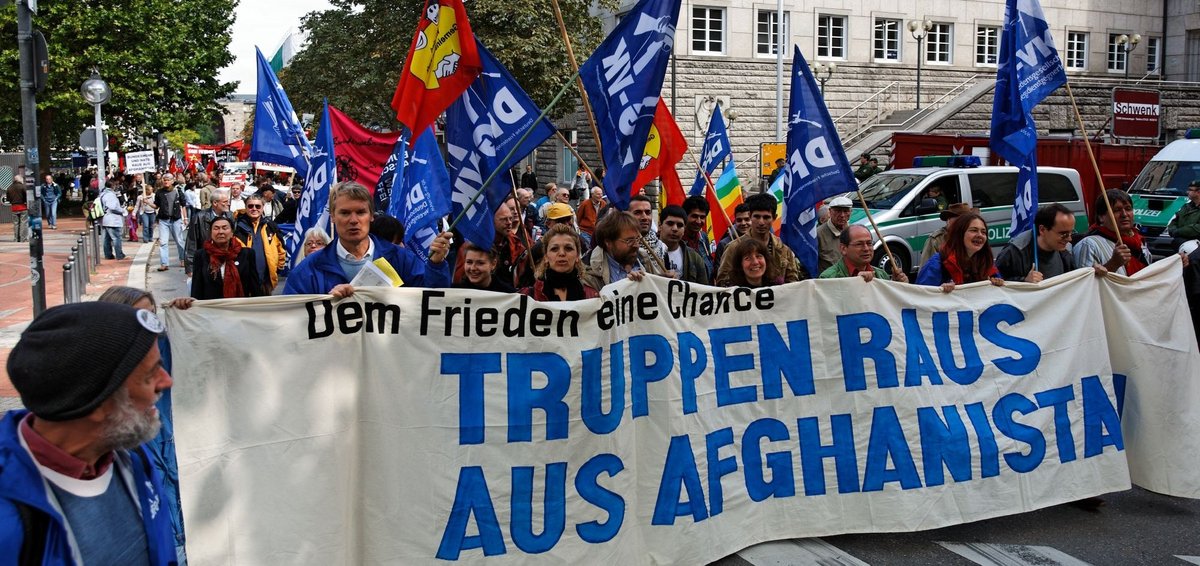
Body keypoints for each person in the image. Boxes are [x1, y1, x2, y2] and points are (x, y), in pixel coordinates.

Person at [1, 302, 177, 564]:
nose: (166, 381)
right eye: (151, 375)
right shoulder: (10, 523)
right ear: (97, 403)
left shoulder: (133, 458)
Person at [97, 286, 187, 562]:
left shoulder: (163, 349)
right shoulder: (97, 379)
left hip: (180, 487)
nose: (149, 324)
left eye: (152, 315)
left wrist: (190, 319)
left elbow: (209, 347)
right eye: (140, 317)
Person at [284, 181, 452, 297]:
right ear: (332, 217)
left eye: (360, 212)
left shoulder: (400, 259)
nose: (353, 220)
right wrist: (327, 305)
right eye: (345, 213)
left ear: (371, 216)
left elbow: (435, 302)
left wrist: (436, 265)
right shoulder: (308, 270)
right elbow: (291, 319)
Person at [715, 193, 806, 284]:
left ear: (774, 217)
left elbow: (793, 284)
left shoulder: (783, 250)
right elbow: (723, 282)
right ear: (750, 216)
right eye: (757, 217)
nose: (761, 222)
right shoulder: (734, 248)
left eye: (766, 217)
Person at [916, 212, 1005, 292]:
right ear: (960, 234)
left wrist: (998, 283)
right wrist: (939, 291)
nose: (980, 235)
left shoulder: (987, 263)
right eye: (974, 230)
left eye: (983, 232)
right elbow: (921, 295)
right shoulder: (938, 262)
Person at [1074, 189, 1150, 276]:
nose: (1124, 214)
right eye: (1116, 210)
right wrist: (1113, 264)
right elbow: (1084, 284)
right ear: (1101, 217)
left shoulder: (1139, 241)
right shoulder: (1089, 245)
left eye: (1128, 209)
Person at [995, 203, 1078, 282]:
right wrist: (1024, 280)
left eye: (1071, 233)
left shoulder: (1066, 250)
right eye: (1064, 234)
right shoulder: (1015, 251)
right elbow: (995, 282)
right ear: (1042, 230)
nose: (1069, 239)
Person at [188, 216, 266, 299]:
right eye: (216, 228)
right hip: (212, 308)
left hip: (239, 307)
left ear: (232, 232)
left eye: (225, 228)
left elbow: (254, 287)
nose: (220, 232)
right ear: (211, 233)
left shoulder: (247, 254)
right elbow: (197, 288)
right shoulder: (201, 255)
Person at [521, 224, 600, 301]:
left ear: (577, 256)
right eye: (554, 249)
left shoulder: (593, 297)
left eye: (568, 248)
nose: (562, 253)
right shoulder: (528, 298)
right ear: (545, 257)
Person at [819, 225, 909, 282]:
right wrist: (855, 282)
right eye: (859, 244)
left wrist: (897, 286)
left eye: (869, 243)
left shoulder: (881, 275)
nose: (866, 249)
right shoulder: (828, 278)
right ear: (843, 249)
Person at [235, 195, 288, 292]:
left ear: (263, 208)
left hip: (265, 281)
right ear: (245, 207)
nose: (254, 209)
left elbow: (281, 249)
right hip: (242, 282)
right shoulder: (236, 226)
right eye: (250, 206)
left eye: (257, 206)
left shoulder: (271, 226)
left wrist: (277, 269)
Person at [583, 211, 647, 289]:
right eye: (629, 241)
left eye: (637, 239)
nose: (636, 245)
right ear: (608, 242)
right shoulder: (589, 273)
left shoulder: (645, 260)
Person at [184, 189, 232, 276]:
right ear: (215, 203)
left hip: (226, 260)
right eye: (224, 202)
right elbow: (191, 242)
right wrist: (190, 268)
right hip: (207, 261)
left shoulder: (230, 216)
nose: (228, 204)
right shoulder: (199, 217)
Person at [658, 205, 710, 284]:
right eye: (670, 223)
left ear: (684, 229)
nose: (675, 228)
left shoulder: (695, 258)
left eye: (680, 225)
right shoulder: (645, 254)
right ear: (660, 226)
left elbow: (704, 290)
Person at [154, 174, 189, 272]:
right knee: (163, 242)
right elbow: (156, 206)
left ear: (172, 181)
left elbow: (183, 205)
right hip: (163, 220)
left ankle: (182, 259)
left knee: (179, 240)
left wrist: (185, 218)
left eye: (168, 180)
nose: (166, 181)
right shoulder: (159, 192)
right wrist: (147, 202)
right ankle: (164, 263)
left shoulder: (178, 191)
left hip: (176, 220)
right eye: (164, 179)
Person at [816, 196, 854, 274]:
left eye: (846, 211)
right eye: (838, 211)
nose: (842, 215)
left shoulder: (854, 232)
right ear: (830, 212)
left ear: (851, 212)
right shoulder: (818, 234)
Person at [629, 194, 668, 269]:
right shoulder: (619, 248)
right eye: (637, 212)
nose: (644, 217)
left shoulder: (662, 248)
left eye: (648, 212)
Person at [681, 195, 714, 277]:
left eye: (702, 217)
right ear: (685, 216)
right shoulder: (677, 241)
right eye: (694, 216)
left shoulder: (703, 237)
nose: (699, 221)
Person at [714, 203, 751, 268]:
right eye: (739, 220)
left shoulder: (759, 239)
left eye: (747, 219)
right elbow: (718, 270)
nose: (743, 223)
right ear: (735, 221)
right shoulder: (724, 244)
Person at [100, 179, 128, 260]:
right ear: (113, 186)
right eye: (116, 185)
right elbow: (112, 207)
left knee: (107, 239)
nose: (117, 187)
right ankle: (119, 255)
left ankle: (108, 255)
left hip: (106, 219)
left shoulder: (103, 193)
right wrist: (122, 210)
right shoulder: (110, 195)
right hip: (112, 219)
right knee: (116, 238)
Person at [1167, 179, 1200, 248]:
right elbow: (1175, 220)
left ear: (1198, 192)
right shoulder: (1187, 206)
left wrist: (1179, 231)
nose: (1187, 192)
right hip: (1181, 242)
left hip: (1196, 244)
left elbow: (1197, 228)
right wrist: (1172, 230)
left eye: (1190, 190)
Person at [7, 177, 29, 243]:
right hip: (23, 206)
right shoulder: (22, 187)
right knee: (23, 223)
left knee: (16, 224)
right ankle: (23, 238)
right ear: (20, 180)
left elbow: (8, 199)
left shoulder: (9, 187)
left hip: (14, 207)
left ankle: (16, 239)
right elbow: (27, 196)